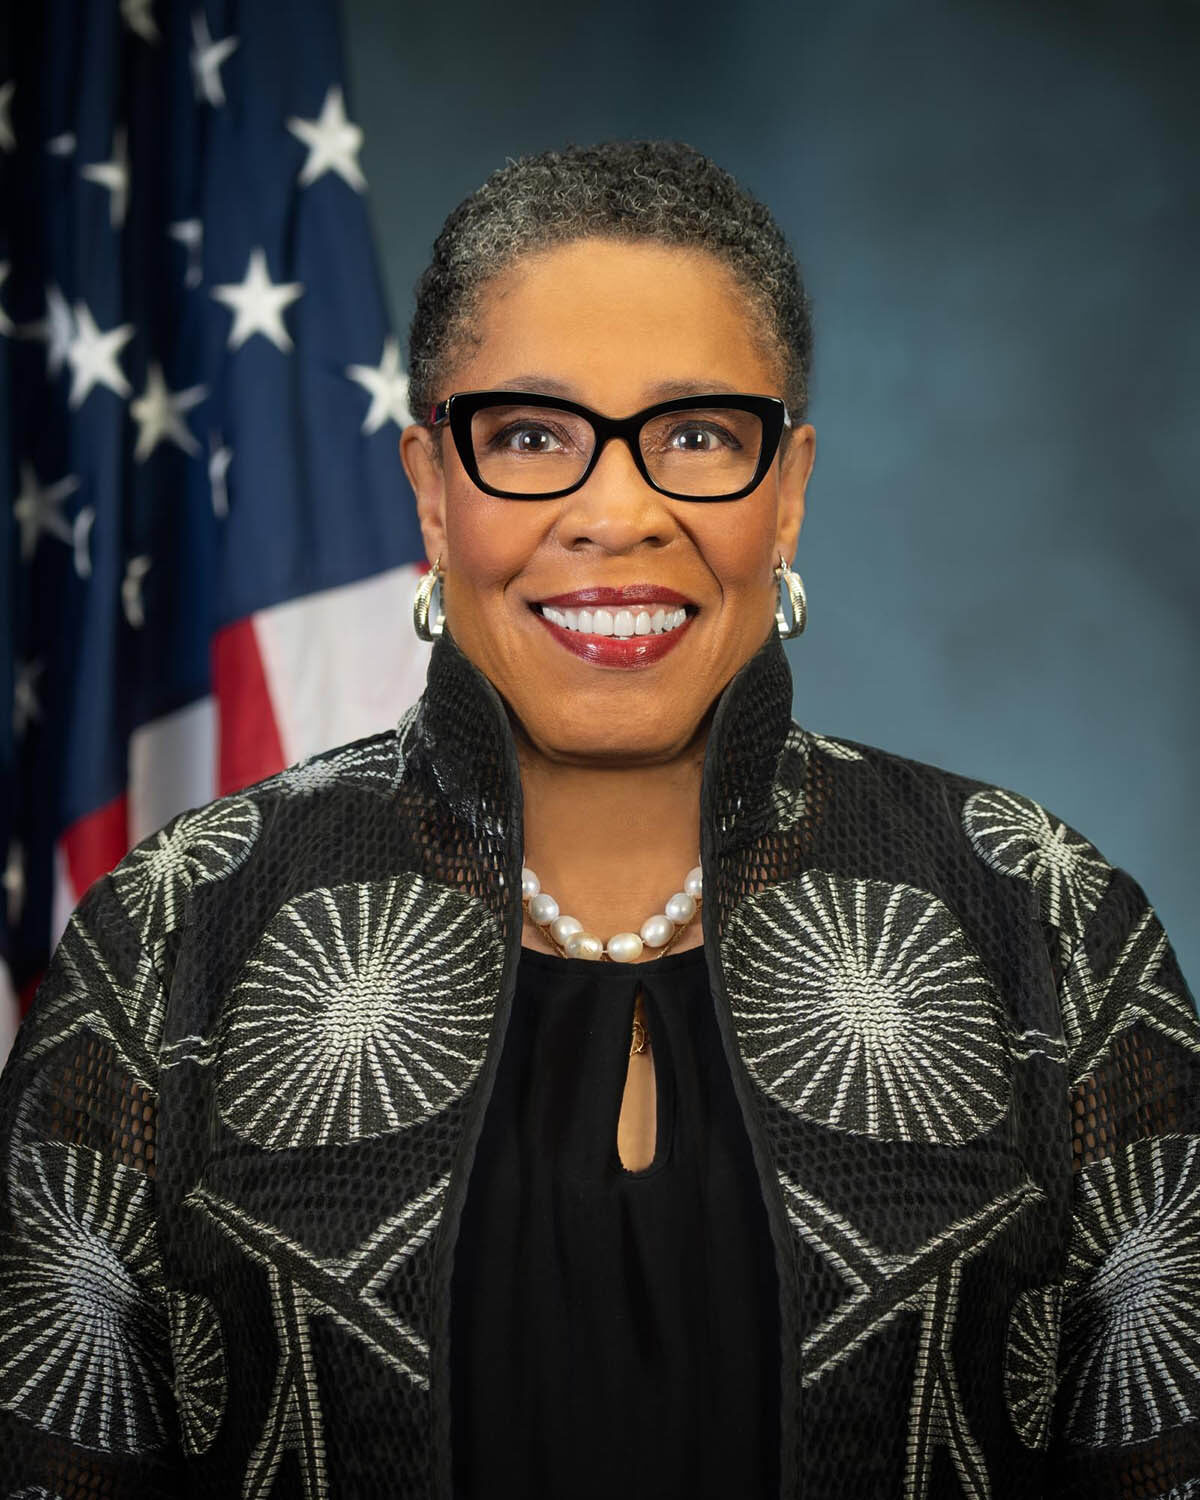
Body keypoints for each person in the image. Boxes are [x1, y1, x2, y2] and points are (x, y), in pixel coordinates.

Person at [0, 140, 1197, 1500]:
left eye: (695, 436)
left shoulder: (1044, 919)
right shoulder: (174, 934)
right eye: (529, 436)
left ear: (788, 490)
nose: (616, 513)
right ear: (432, 492)